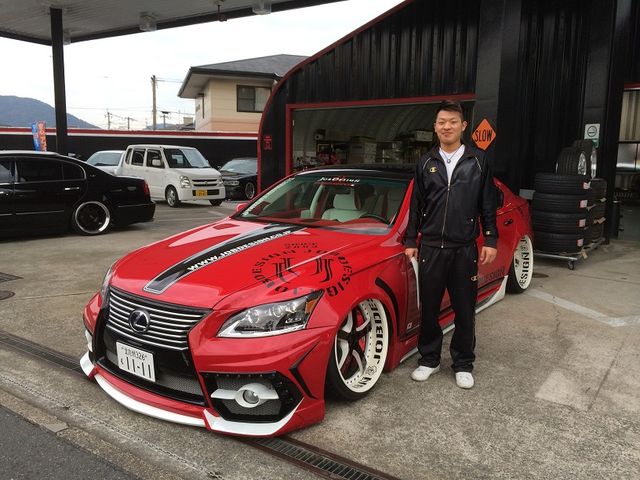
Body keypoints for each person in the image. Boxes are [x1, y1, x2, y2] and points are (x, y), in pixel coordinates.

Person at [404, 100, 498, 389]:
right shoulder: (426, 162)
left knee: (465, 308)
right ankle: (429, 359)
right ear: (435, 127)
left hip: (463, 248)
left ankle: (463, 363)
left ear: (463, 126)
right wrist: (411, 239)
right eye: (442, 122)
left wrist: (490, 237)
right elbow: (416, 204)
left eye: (453, 121)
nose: (447, 127)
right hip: (431, 247)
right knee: (430, 308)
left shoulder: (478, 160)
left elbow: (487, 202)